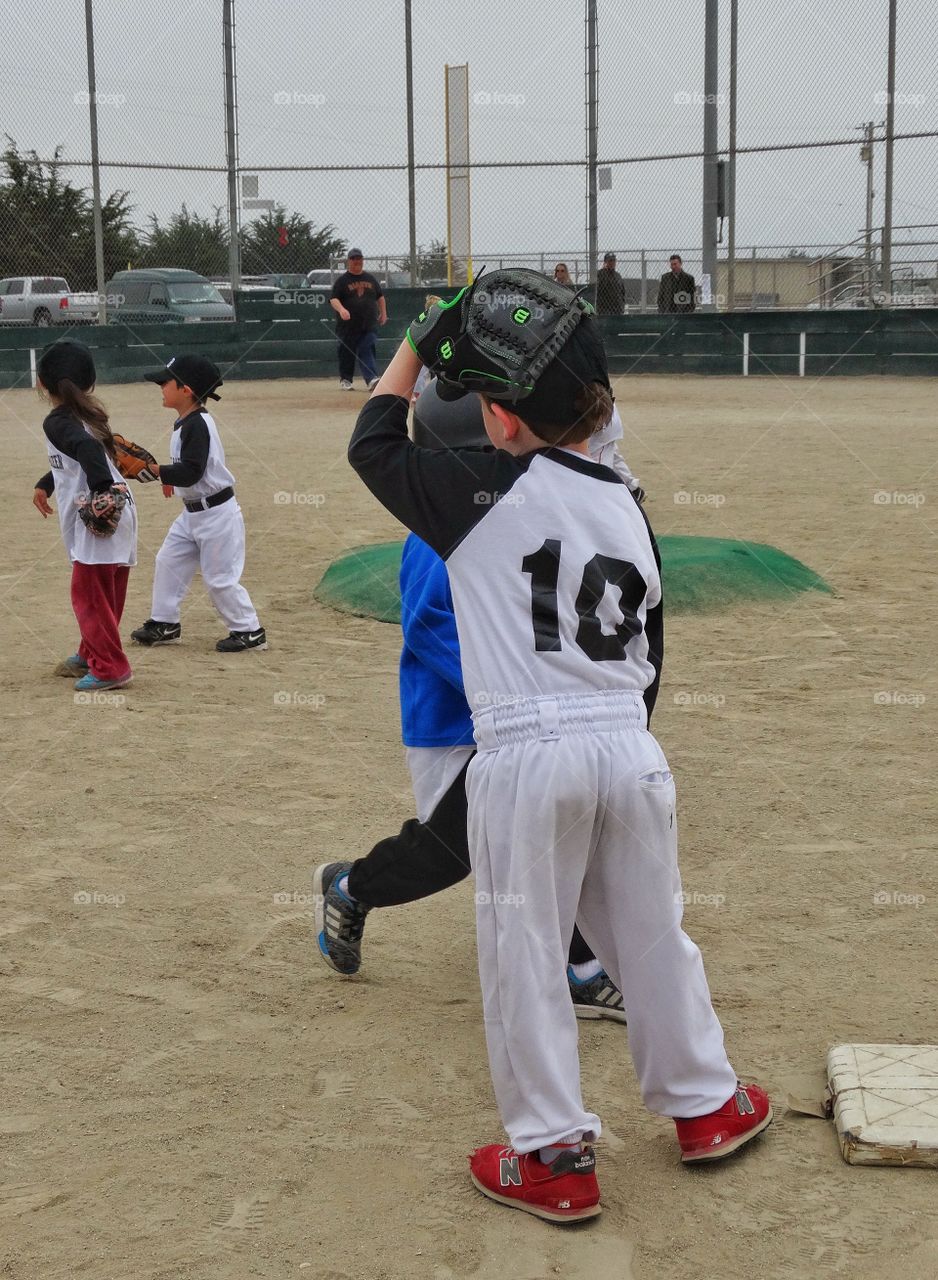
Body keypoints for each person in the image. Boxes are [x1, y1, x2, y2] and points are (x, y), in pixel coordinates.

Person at [346, 270, 770, 1224]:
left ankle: (552, 1155)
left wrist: (421, 338)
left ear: (496, 420)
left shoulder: (475, 491)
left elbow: (373, 440)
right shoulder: (627, 501)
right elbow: (652, 652)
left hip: (527, 752)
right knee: (652, 935)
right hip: (629, 745)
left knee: (524, 951)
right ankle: (705, 1106)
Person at [313, 381, 643, 1022]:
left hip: (527, 723)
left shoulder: (514, 512)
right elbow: (430, 628)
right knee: (452, 851)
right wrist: (519, 689)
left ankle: (578, 965)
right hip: (456, 725)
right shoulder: (440, 532)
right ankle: (353, 886)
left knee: (555, 830)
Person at [129, 354, 267, 653]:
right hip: (192, 512)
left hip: (217, 515)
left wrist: (158, 471)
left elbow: (193, 470)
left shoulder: (198, 425)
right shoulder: (185, 422)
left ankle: (249, 630)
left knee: (220, 579)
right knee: (168, 561)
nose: (161, 386)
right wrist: (169, 478)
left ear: (186, 390)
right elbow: (188, 469)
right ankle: (165, 622)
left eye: (166, 382)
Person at [32, 340, 137, 692]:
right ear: (89, 383)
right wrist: (46, 484)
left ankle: (110, 667)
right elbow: (74, 457)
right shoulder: (88, 415)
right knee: (105, 590)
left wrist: (100, 492)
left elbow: (88, 450)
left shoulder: (58, 421)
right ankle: (91, 651)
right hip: (120, 508)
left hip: (101, 511)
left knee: (89, 594)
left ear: (42, 384)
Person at [330, 249, 388, 390]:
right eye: (353, 258)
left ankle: (372, 380)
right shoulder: (342, 281)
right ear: (348, 261)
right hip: (347, 326)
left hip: (368, 324)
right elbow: (333, 299)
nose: (357, 261)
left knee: (366, 348)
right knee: (346, 353)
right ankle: (346, 380)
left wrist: (383, 313)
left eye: (359, 258)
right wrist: (342, 310)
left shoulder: (370, 278)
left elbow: (380, 297)